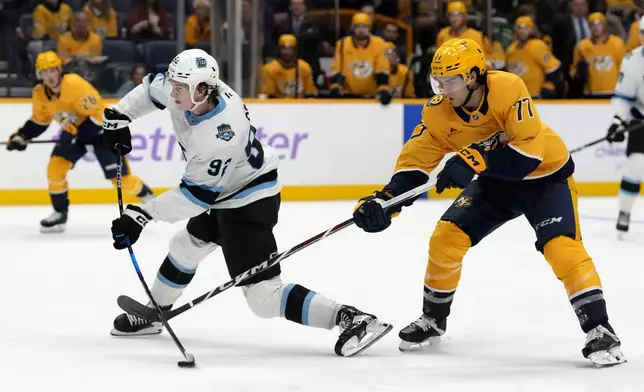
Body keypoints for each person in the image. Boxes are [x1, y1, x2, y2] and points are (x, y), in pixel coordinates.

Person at [352, 38, 626, 367]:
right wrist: (385, 201)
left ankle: (599, 327)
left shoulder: (508, 88)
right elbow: (413, 167)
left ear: (471, 77)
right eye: (437, 80)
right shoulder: (438, 112)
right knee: (445, 238)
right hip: (496, 183)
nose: (442, 88)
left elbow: (527, 154)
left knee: (562, 248)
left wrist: (473, 161)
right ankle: (433, 320)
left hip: (545, 177)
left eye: (449, 81)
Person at [101, 49, 392, 357]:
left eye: (179, 88)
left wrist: (141, 214)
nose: (172, 92)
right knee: (185, 246)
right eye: (173, 84)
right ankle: (154, 314)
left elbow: (195, 198)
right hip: (225, 191)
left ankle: (350, 317)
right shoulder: (192, 89)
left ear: (202, 91)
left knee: (264, 298)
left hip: (248, 200)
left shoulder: (219, 136)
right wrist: (121, 115)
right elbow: (151, 88)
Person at [5, 51, 153, 233]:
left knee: (122, 180)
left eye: (52, 71)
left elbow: (100, 116)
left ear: (59, 70)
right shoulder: (40, 94)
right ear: (39, 75)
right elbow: (39, 121)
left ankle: (147, 196)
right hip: (74, 134)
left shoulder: (75, 84)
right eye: (44, 72)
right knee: (55, 169)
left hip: (100, 134)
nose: (49, 76)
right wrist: (21, 136)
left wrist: (76, 134)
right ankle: (60, 213)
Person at [606, 16, 644, 237]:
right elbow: (622, 98)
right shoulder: (632, 61)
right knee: (636, 166)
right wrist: (618, 121)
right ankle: (624, 212)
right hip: (641, 121)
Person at [330, 12, 391, 105]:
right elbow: (338, 67)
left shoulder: (379, 43)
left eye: (364, 26)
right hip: (348, 95)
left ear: (370, 28)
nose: (361, 30)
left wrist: (383, 89)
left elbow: (382, 68)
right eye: (357, 26)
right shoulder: (343, 43)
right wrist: (336, 86)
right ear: (352, 28)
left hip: (372, 96)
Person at [505, 16, 563, 99]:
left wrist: (549, 85)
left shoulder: (537, 46)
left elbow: (554, 68)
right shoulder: (510, 50)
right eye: (519, 28)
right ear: (515, 30)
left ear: (532, 30)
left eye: (526, 28)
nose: (522, 31)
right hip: (516, 98)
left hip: (535, 96)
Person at [571, 12, 625, 98]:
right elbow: (573, 70)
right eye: (592, 24)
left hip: (613, 91)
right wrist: (577, 74)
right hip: (590, 92)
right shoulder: (582, 46)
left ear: (604, 25)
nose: (596, 27)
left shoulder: (617, 43)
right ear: (588, 27)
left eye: (599, 24)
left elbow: (623, 68)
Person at [259, 34, 318, 99]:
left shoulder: (305, 67)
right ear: (279, 50)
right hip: (278, 106)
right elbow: (265, 94)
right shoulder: (269, 68)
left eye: (290, 49)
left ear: (295, 50)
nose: (287, 52)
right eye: (284, 49)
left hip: (300, 106)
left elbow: (310, 94)